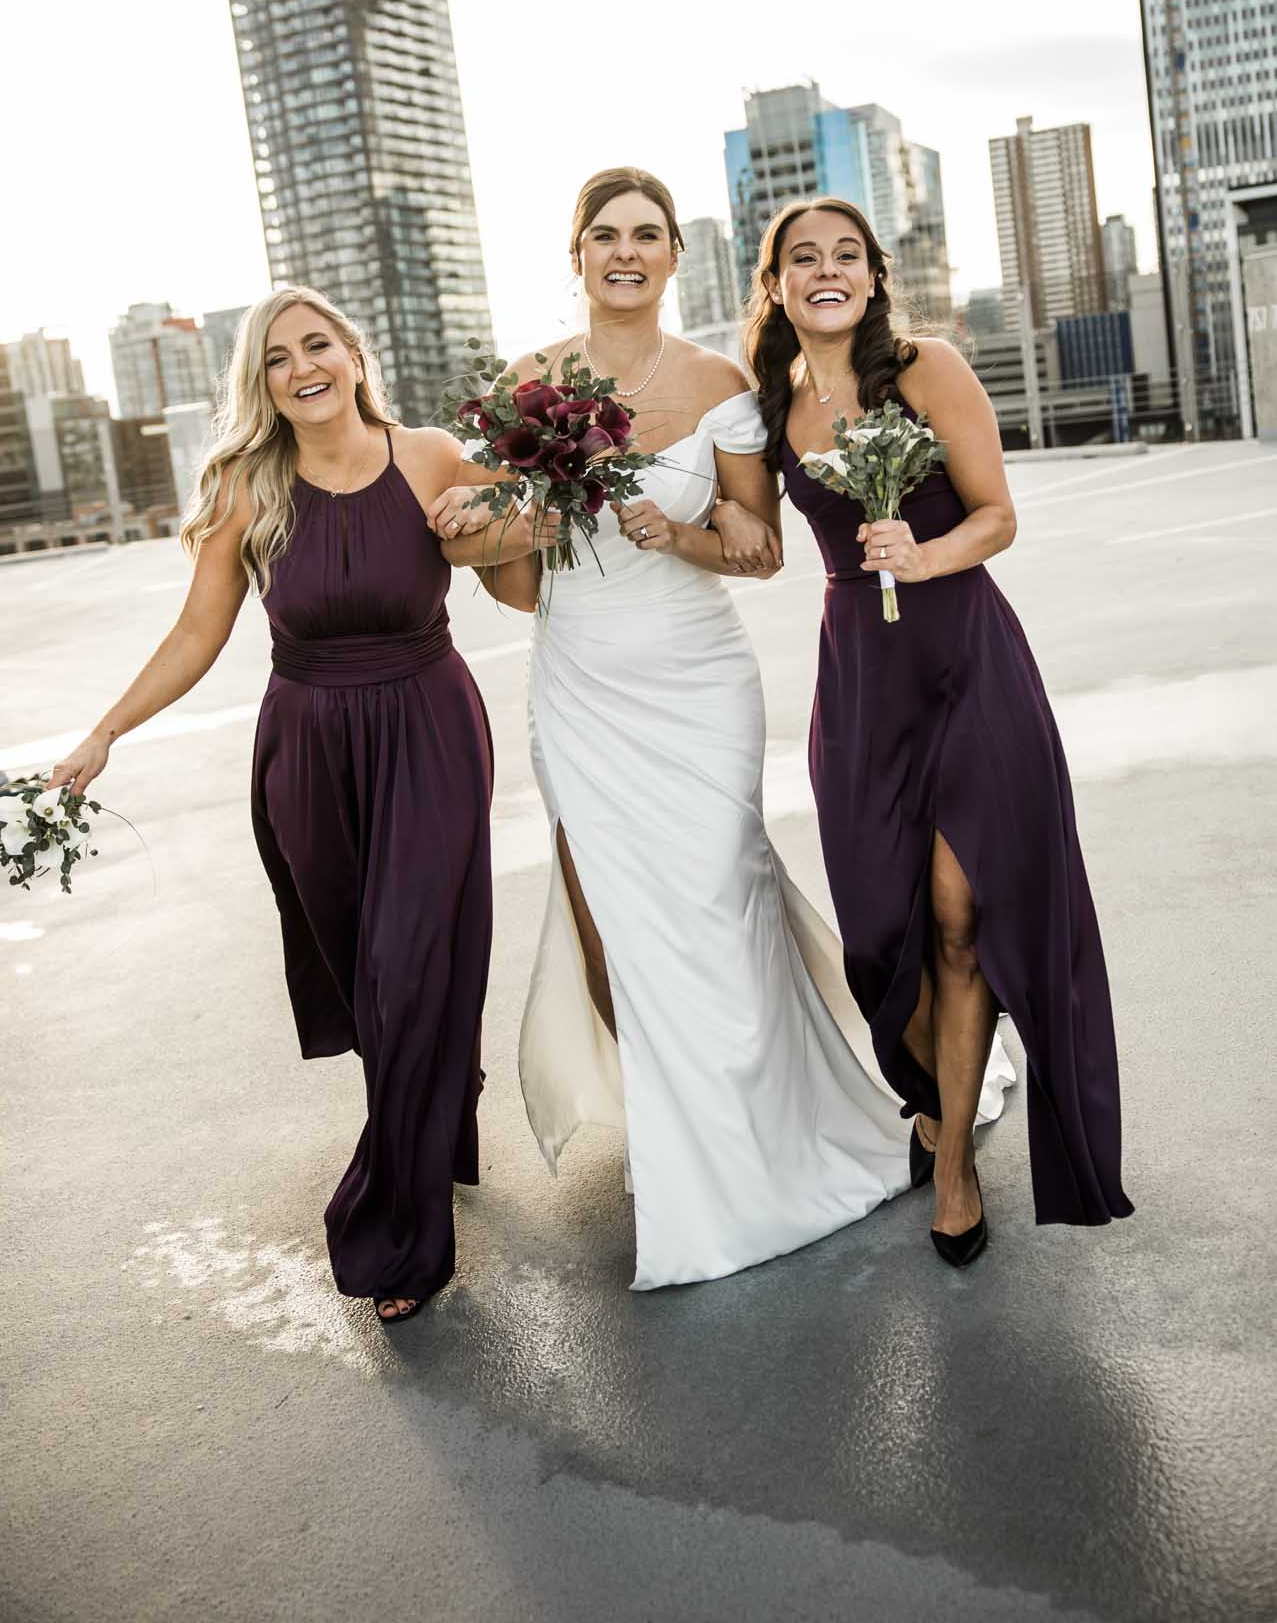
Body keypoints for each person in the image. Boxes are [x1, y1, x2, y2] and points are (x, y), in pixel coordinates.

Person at [431, 167, 1013, 1290]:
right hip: (580, 680)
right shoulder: (527, 383)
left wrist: (676, 531)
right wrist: (488, 522)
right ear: (575, 253)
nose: (626, 252)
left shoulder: (719, 378)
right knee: (609, 924)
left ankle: (765, 1132)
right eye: (605, 235)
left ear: (674, 256)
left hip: (695, 681)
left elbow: (761, 544)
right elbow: (510, 587)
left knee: (713, 904)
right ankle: (676, 1125)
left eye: (647, 235)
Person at [46, 288, 494, 1325]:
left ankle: (401, 1229)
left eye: (319, 344)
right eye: (280, 357)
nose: (304, 367)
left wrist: (537, 506)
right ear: (261, 382)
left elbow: (514, 557)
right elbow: (198, 633)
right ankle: (440, 1115)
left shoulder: (427, 452)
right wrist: (106, 728)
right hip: (308, 748)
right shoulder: (252, 487)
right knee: (362, 964)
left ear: (352, 352)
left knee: (407, 962)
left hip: (428, 729)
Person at [744, 195, 1132, 1266]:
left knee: (960, 921)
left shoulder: (926, 365)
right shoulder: (768, 405)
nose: (828, 270)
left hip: (967, 662)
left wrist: (922, 554)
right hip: (860, 684)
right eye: (802, 257)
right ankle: (930, 1099)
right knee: (881, 936)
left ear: (872, 275)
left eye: (847, 256)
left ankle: (952, 1163)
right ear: (772, 283)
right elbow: (747, 534)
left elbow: (995, 511)